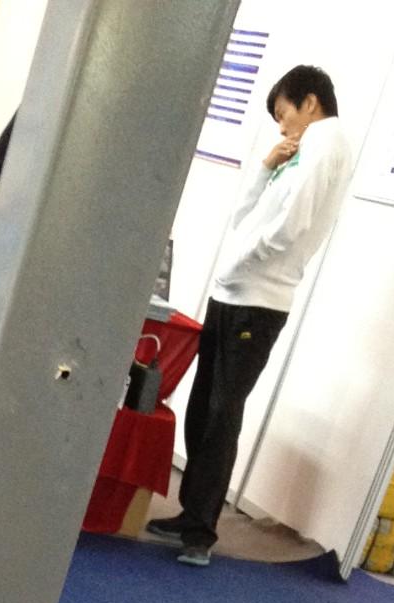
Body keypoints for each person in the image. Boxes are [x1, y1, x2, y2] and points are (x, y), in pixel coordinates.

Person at [148, 64, 354, 568]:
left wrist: (244, 259)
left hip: (259, 299)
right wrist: (265, 166)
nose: (282, 127)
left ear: (309, 102)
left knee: (223, 413)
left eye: (284, 114)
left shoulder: (326, 141)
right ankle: (191, 514)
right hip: (234, 290)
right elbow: (244, 217)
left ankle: (201, 532)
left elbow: (291, 225)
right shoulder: (300, 149)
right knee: (203, 407)